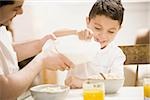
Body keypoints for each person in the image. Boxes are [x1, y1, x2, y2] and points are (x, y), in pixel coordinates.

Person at [0, 0, 74, 99]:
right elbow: (4, 91)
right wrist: (41, 60)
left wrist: (39, 44)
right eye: (15, 8)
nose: (21, 12)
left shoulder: (2, 25)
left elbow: (5, 53)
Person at [53, 0, 126, 89]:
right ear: (88, 22)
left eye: (111, 31)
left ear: (119, 29)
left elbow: (116, 82)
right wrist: (75, 32)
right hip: (74, 95)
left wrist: (83, 83)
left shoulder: (116, 54)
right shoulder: (81, 41)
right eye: (98, 28)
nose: (103, 36)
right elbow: (54, 35)